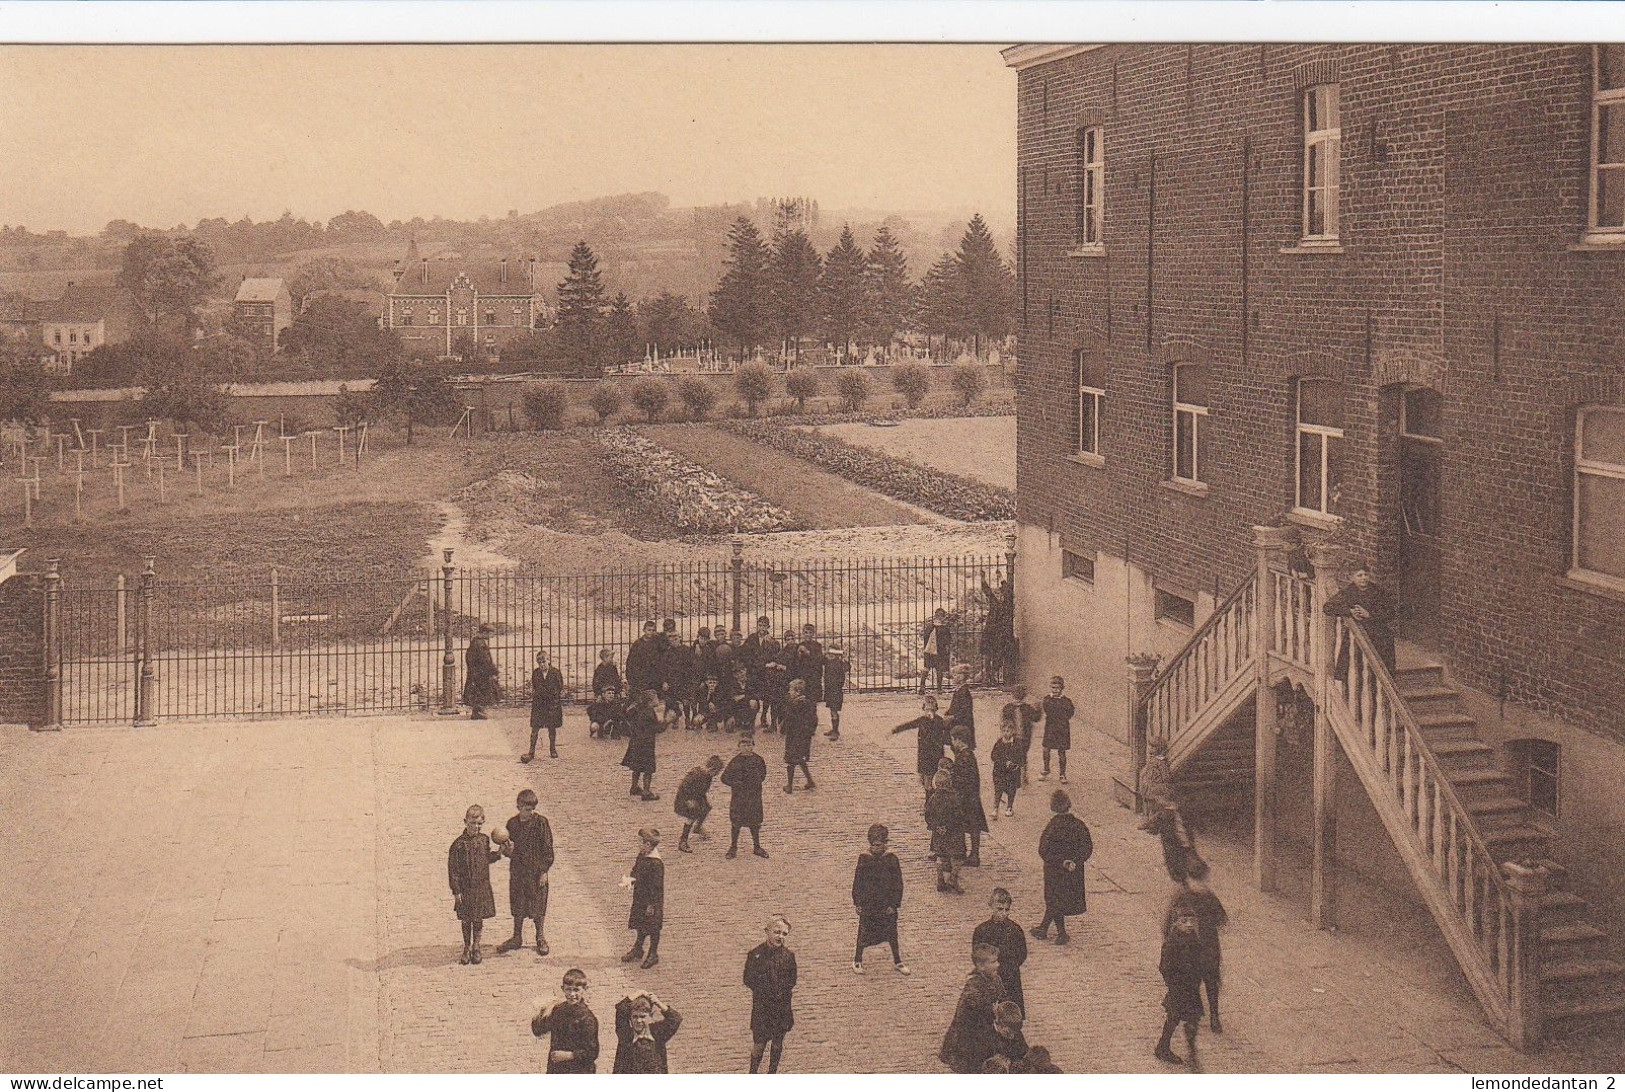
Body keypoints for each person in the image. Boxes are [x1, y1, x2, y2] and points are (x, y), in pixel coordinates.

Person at [496, 789, 555, 955]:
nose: (530, 812)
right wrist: (507, 850)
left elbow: (548, 849)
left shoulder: (541, 823)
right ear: (518, 806)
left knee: (538, 904)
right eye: (526, 809)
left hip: (536, 871)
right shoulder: (512, 824)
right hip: (518, 871)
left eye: (532, 809)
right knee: (518, 903)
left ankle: (540, 937)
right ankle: (516, 937)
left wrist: (544, 871)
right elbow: (509, 852)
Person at [1165, 878, 1228, 1033]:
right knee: (1211, 982)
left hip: (1192, 950)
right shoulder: (1208, 896)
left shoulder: (1181, 897)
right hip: (1208, 947)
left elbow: (1168, 924)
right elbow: (1222, 918)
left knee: (1193, 983)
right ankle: (1214, 1017)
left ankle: (1190, 1018)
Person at [938, 943, 1008, 1073]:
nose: (998, 964)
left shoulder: (996, 979)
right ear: (981, 966)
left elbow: (1002, 997)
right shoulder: (973, 988)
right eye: (993, 962)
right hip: (970, 1041)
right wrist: (995, 1014)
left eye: (997, 960)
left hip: (987, 1035)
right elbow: (968, 1018)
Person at [1033, 790, 1092, 944]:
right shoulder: (1078, 825)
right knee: (1060, 901)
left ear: (1053, 807)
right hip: (1073, 872)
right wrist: (1076, 861)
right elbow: (1087, 847)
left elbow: (1043, 850)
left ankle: (1050, 930)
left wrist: (1062, 862)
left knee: (1054, 900)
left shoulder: (1053, 827)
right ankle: (1053, 931)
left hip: (1054, 871)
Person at [851, 823, 909, 974]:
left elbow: (898, 883)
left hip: (886, 904)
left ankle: (898, 961)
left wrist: (894, 904)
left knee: (892, 933)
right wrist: (858, 902)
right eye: (874, 845)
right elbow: (858, 882)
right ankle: (857, 960)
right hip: (869, 904)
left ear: (885, 843)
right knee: (863, 932)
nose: (876, 848)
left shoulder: (891, 859)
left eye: (879, 845)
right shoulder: (864, 859)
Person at [743, 915, 798, 1073]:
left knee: (777, 1043)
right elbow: (748, 979)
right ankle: (752, 1073)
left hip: (781, 1008)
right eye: (776, 932)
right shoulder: (755, 955)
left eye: (784, 933)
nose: (780, 936)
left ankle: (772, 1072)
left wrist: (780, 991)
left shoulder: (788, 956)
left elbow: (792, 980)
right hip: (762, 1008)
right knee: (759, 1045)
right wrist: (764, 990)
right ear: (767, 932)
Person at [448, 804, 502, 965]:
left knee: (478, 919)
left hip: (481, 887)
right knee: (466, 920)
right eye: (472, 823)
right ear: (465, 822)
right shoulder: (458, 845)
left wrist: (498, 853)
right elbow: (453, 870)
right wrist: (456, 891)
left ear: (483, 822)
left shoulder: (484, 839)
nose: (476, 827)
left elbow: (487, 858)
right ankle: (466, 947)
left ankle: (476, 946)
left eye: (479, 823)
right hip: (465, 889)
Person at [1323, 559, 1396, 677]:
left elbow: (1390, 612)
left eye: (1366, 575)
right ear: (1352, 577)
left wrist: (1369, 614)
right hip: (1358, 634)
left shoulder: (1377, 591)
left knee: (1379, 668)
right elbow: (1328, 607)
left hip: (1378, 633)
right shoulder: (1348, 592)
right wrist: (1349, 611)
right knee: (1354, 667)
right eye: (1359, 575)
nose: (1363, 578)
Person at [1155, 904, 1205, 1072]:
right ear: (1176, 923)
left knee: (1193, 1019)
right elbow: (1165, 968)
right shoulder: (1171, 943)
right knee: (1173, 1018)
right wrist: (1174, 985)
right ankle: (1162, 1047)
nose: (1189, 924)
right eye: (1184, 921)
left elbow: (1198, 960)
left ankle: (1191, 1051)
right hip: (1178, 989)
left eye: (1192, 921)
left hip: (1191, 988)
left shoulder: (1194, 939)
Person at [531, 969, 600, 1073]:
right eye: (568, 989)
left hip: (579, 1070)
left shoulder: (587, 1018)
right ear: (562, 989)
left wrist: (569, 1055)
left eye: (576, 990)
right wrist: (541, 1012)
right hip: (556, 1068)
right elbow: (538, 1030)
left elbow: (592, 1052)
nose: (572, 994)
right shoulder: (558, 1010)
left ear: (585, 989)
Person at [972, 888, 1027, 1012]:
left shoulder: (1015, 930)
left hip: (1011, 977)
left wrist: (1011, 966)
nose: (1003, 913)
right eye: (999, 909)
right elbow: (977, 955)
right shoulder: (981, 930)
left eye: (1006, 910)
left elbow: (1022, 953)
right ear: (991, 906)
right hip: (989, 978)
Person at [621, 826, 664, 970]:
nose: (638, 845)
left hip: (651, 901)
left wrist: (652, 905)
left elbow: (657, 887)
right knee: (640, 923)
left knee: (653, 927)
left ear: (648, 844)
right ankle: (638, 949)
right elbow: (636, 870)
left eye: (640, 842)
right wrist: (630, 879)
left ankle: (653, 953)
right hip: (640, 897)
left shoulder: (656, 864)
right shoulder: (642, 855)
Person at [892, 693, 951, 796]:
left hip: (935, 755)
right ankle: (929, 798)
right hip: (923, 755)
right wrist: (896, 730)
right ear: (923, 709)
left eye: (931, 709)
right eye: (927, 709)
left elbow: (946, 738)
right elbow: (909, 725)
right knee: (924, 781)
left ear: (935, 709)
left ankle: (931, 801)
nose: (929, 712)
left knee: (932, 781)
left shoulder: (939, 721)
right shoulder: (922, 720)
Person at [722, 734, 770, 859]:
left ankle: (757, 847)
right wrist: (736, 784)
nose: (747, 748)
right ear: (739, 747)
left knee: (755, 823)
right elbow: (724, 778)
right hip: (739, 798)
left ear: (753, 746)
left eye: (749, 745)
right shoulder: (735, 761)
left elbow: (763, 774)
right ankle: (733, 848)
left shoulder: (759, 759)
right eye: (744, 745)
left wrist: (756, 781)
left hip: (754, 797)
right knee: (736, 823)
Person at [1140, 799, 1206, 886]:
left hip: (1177, 844)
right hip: (1181, 844)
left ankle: (1185, 882)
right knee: (1181, 862)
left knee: (1178, 862)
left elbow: (1152, 828)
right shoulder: (1171, 813)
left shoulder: (1165, 814)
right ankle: (1187, 882)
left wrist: (1148, 826)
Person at [612, 992, 682, 1073]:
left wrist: (658, 1003)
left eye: (643, 1016)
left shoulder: (657, 1033)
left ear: (649, 1016)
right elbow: (620, 1009)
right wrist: (639, 992)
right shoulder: (625, 1034)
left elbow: (676, 1019)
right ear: (630, 1018)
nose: (638, 1021)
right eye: (635, 1016)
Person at [950, 726, 989, 866]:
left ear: (959, 740)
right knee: (973, 825)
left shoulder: (964, 757)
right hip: (972, 797)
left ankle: (971, 854)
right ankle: (972, 853)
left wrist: (952, 776)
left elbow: (964, 779)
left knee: (970, 825)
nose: (952, 743)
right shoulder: (968, 755)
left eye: (953, 740)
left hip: (966, 798)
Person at [927, 767, 967, 894]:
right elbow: (959, 814)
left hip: (939, 834)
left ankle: (940, 879)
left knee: (940, 856)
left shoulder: (933, 798)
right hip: (954, 833)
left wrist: (935, 826)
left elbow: (928, 815)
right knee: (958, 857)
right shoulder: (955, 797)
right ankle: (952, 879)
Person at [675, 755, 724, 853]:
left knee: (706, 808)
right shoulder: (696, 774)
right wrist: (689, 800)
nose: (716, 774)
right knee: (692, 816)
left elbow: (702, 790)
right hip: (685, 799)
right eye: (716, 772)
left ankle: (697, 828)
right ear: (712, 769)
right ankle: (683, 842)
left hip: (697, 797)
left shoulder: (708, 776)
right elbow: (683, 787)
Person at [621, 690, 662, 801]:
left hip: (635, 741)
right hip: (647, 744)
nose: (658, 699)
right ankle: (646, 791)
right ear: (650, 701)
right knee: (648, 769)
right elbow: (657, 728)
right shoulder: (649, 712)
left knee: (636, 766)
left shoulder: (638, 709)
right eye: (656, 697)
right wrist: (667, 720)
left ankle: (634, 787)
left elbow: (627, 715)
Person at [525, 651, 565, 762]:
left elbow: (559, 686)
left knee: (551, 728)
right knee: (535, 728)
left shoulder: (555, 673)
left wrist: (552, 697)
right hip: (539, 704)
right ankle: (531, 751)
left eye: (544, 662)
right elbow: (535, 686)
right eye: (539, 663)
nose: (542, 665)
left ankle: (553, 749)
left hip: (551, 704)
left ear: (549, 660)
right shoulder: (536, 673)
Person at [781, 678, 817, 793]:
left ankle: (789, 786)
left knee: (791, 760)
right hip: (803, 737)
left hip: (795, 736)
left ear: (797, 692)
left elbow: (789, 719)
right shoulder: (808, 703)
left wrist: (784, 728)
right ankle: (810, 781)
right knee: (800, 758)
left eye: (791, 690)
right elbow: (813, 720)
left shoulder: (795, 704)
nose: (789, 692)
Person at [1002, 684, 1041, 787]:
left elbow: (1036, 718)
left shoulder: (1024, 708)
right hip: (1013, 737)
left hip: (1024, 737)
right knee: (1015, 755)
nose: (1017, 698)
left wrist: (1038, 709)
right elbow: (1004, 721)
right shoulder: (1009, 708)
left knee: (1020, 756)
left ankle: (1022, 776)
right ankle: (1019, 776)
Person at [1039, 676, 1075, 784]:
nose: (1055, 690)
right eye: (1053, 688)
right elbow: (1047, 709)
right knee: (1046, 749)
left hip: (1062, 729)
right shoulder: (1047, 699)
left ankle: (1062, 774)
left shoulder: (1066, 701)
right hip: (1050, 728)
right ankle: (1046, 769)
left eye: (1058, 688)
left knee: (1062, 752)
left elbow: (1070, 712)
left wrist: (1062, 719)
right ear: (1050, 688)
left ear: (1062, 688)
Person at [462, 625, 500, 719]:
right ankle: (478, 712)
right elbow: (485, 660)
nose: (492, 636)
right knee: (482, 692)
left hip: (476, 672)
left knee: (478, 692)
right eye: (491, 633)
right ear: (485, 633)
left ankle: (477, 712)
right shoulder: (480, 644)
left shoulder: (476, 642)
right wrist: (493, 671)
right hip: (481, 673)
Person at [663, 630, 698, 729]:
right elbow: (663, 669)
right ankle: (674, 718)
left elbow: (693, 667)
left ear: (680, 638)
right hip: (672, 682)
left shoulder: (687, 650)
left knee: (688, 699)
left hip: (685, 681)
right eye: (671, 637)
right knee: (669, 696)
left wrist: (691, 680)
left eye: (676, 637)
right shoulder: (667, 653)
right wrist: (665, 681)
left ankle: (689, 718)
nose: (674, 639)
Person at [990, 713, 1023, 819]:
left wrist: (1015, 763)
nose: (1005, 733)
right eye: (1003, 731)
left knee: (1011, 790)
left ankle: (1009, 807)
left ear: (1013, 731)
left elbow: (1020, 756)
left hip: (1012, 772)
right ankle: (995, 808)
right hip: (1000, 771)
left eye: (1008, 731)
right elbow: (993, 756)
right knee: (998, 789)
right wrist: (1004, 762)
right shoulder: (999, 743)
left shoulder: (1017, 744)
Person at [625, 621, 665, 699]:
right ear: (644, 630)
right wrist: (631, 680)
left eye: (653, 630)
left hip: (655, 678)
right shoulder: (637, 644)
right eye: (649, 630)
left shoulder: (657, 644)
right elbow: (630, 663)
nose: (651, 632)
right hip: (641, 678)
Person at [988, 1001, 1029, 1070]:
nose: (1012, 1036)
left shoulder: (1016, 1033)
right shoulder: (988, 1038)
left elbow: (1025, 1054)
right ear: (998, 1024)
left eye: (1015, 1032)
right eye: (1008, 1032)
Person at [920, 608, 953, 693]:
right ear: (943, 617)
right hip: (939, 652)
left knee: (926, 668)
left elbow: (924, 637)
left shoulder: (929, 626)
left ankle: (922, 687)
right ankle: (939, 689)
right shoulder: (944, 628)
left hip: (929, 651)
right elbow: (948, 641)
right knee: (939, 670)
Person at [1139, 738, 1174, 811]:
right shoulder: (1152, 759)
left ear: (1159, 749)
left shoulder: (1161, 762)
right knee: (1150, 804)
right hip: (1148, 785)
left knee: (1157, 804)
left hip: (1156, 787)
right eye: (1150, 746)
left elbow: (1166, 776)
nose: (1150, 748)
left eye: (1153, 747)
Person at [822, 644, 848, 740]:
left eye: (833, 654)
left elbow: (847, 667)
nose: (830, 655)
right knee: (832, 710)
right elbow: (821, 660)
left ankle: (836, 731)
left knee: (834, 710)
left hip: (836, 690)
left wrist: (843, 658)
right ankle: (833, 729)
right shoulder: (828, 661)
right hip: (830, 690)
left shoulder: (839, 663)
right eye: (830, 653)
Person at [946, 663, 976, 748]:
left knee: (962, 746)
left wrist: (952, 717)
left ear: (961, 677)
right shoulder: (959, 690)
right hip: (957, 723)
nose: (953, 677)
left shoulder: (964, 692)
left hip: (963, 724)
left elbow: (965, 711)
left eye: (955, 675)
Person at [728, 662, 761, 733]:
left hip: (748, 704)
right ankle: (739, 721)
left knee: (753, 702)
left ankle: (750, 723)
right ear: (734, 675)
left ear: (745, 670)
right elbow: (733, 697)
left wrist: (744, 696)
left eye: (741, 672)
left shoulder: (752, 681)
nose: (740, 675)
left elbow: (757, 693)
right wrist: (747, 696)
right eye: (737, 673)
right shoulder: (732, 683)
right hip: (737, 706)